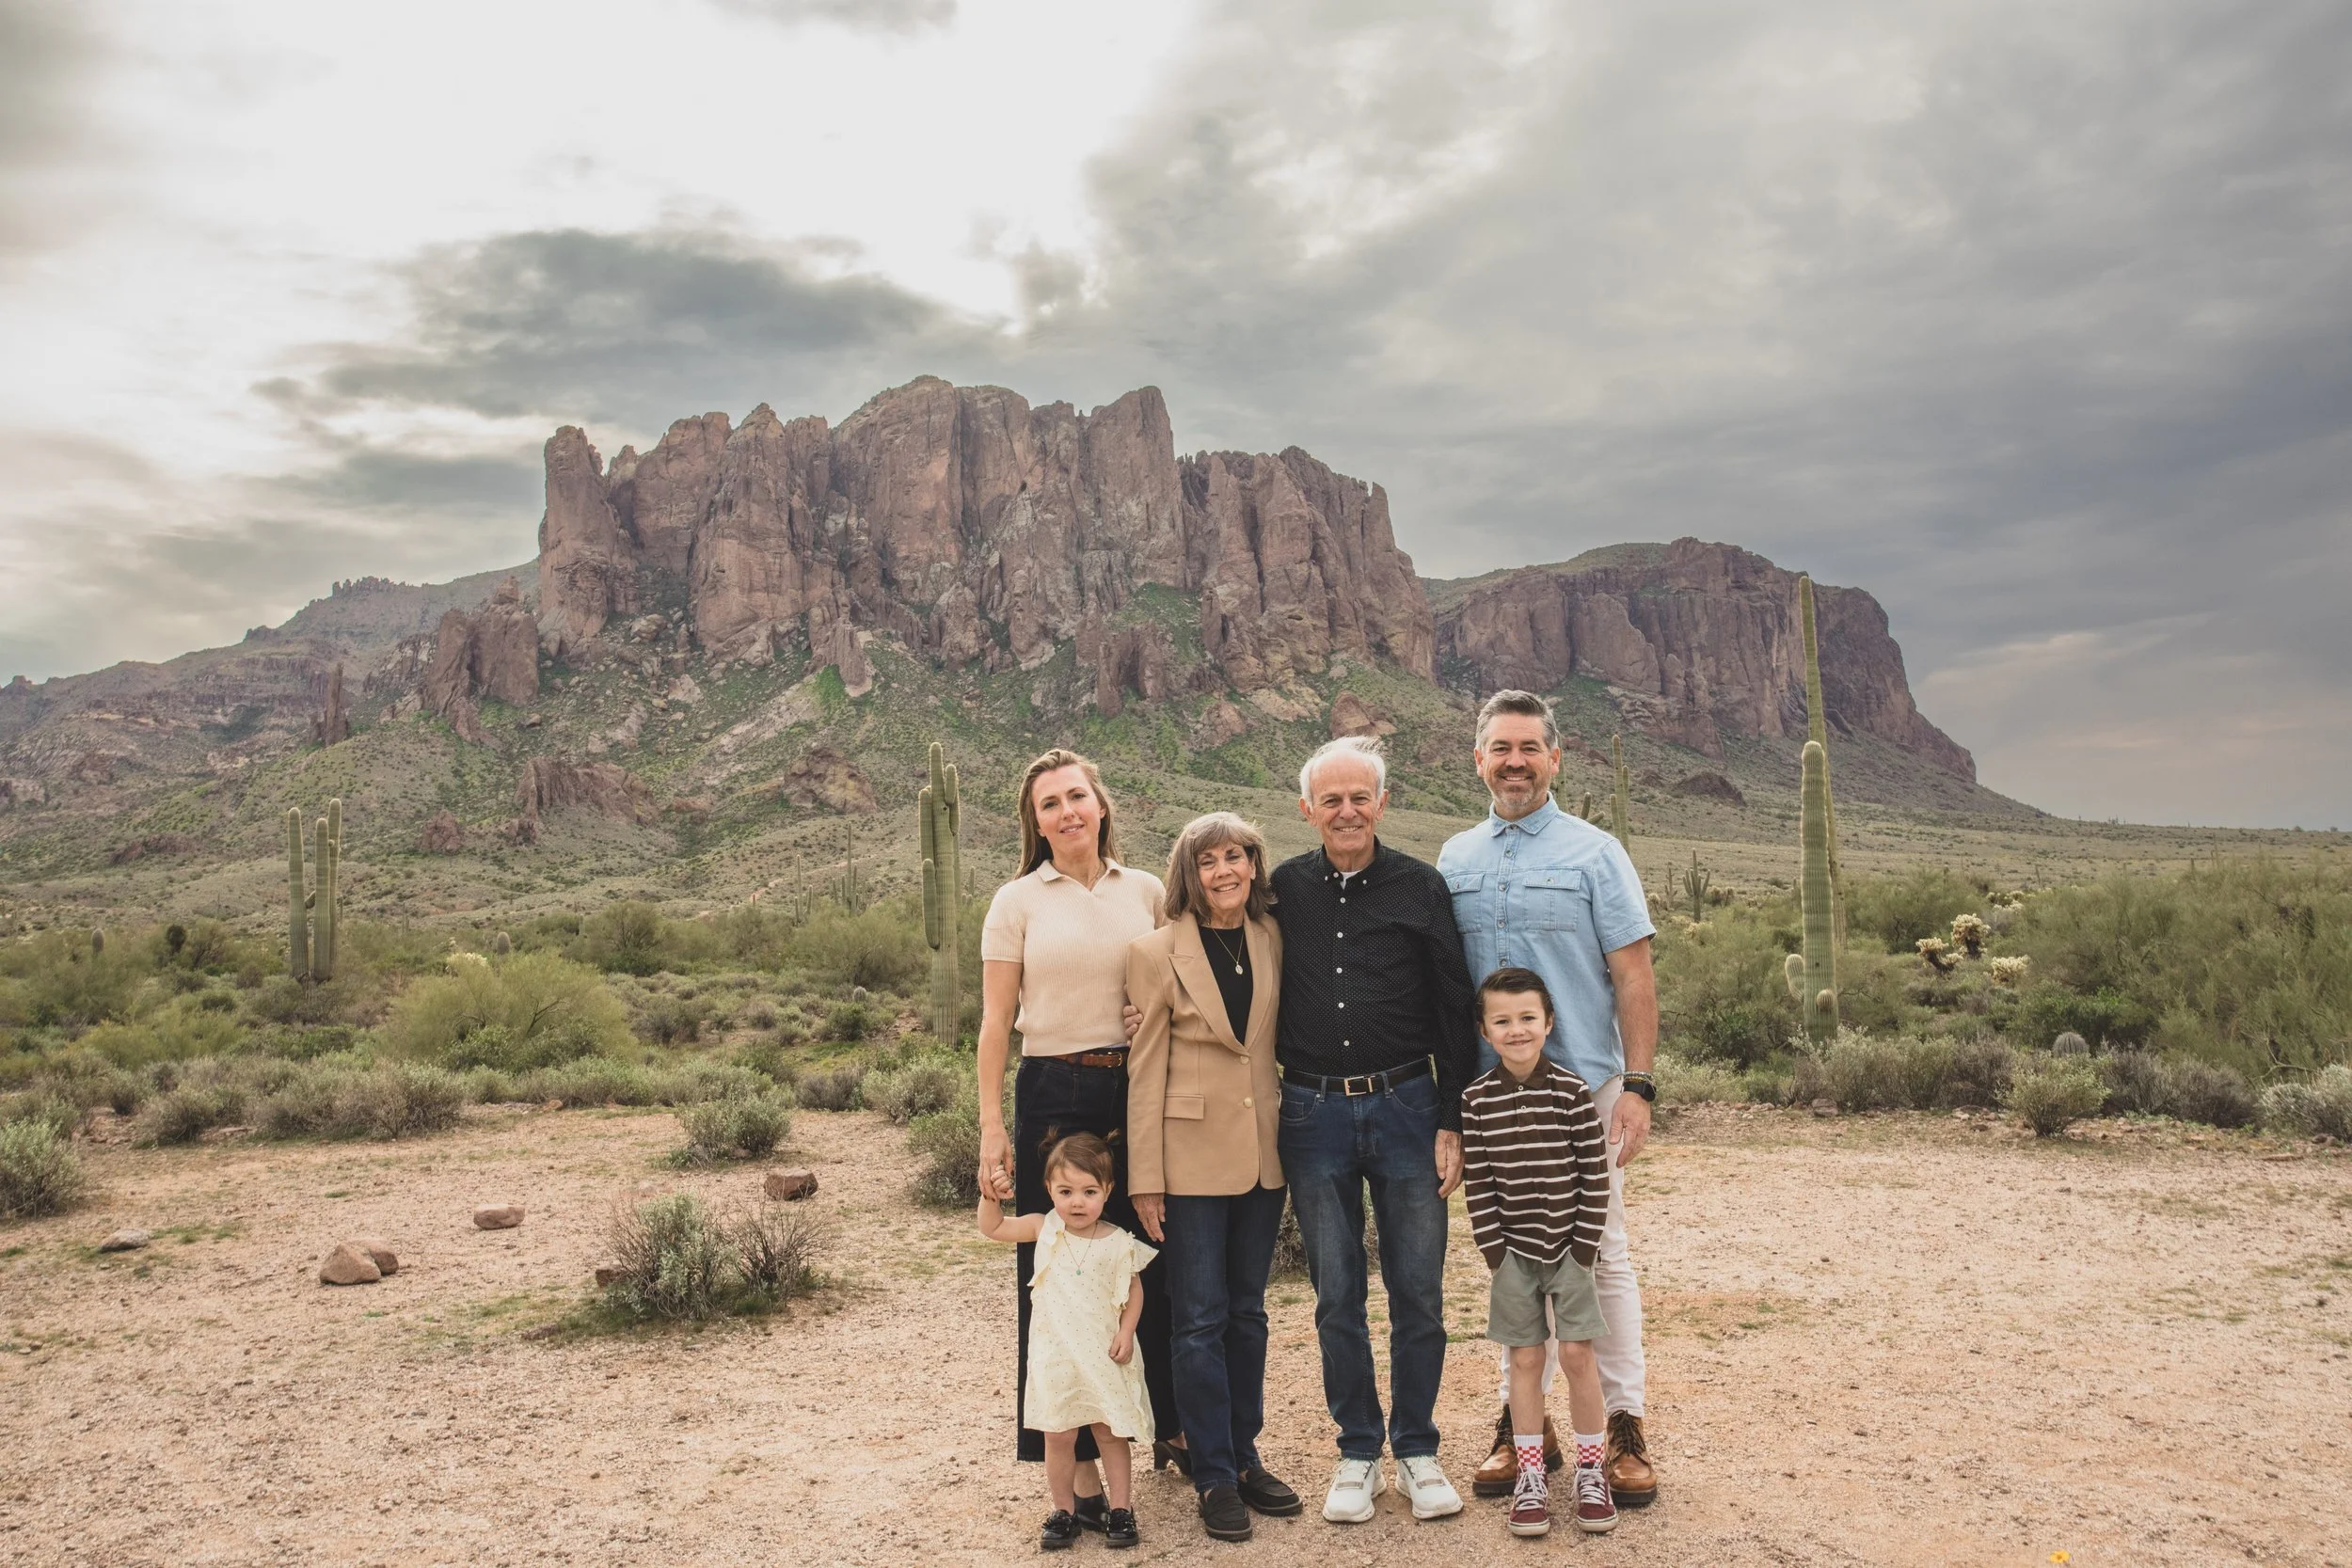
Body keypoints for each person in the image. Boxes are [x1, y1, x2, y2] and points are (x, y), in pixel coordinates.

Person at [1438, 690, 1661, 1507]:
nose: (1515, 761)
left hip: (1585, 1085)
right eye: (1500, 748)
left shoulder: (1596, 853)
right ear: (1479, 760)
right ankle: (1521, 1424)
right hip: (1491, 1096)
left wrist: (1636, 1084)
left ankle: (1626, 1424)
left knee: (1600, 1252)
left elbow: (1633, 974)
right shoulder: (1454, 859)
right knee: (1511, 1258)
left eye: (1530, 747)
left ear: (1555, 758)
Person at [1274, 736, 1481, 1525]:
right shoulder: (1282, 888)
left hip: (1407, 1106)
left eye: (1360, 796)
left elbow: (1455, 1006)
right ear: (1308, 809)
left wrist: (1453, 1116)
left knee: (1418, 1290)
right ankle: (1358, 1449)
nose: (1348, 810)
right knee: (1336, 1294)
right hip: (1310, 1111)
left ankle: (1418, 1447)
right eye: (1332, 799)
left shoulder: (1422, 887)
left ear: (1382, 802)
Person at [977, 749, 1176, 1532]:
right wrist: (991, 1124)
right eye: (1048, 804)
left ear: (1101, 804)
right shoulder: (1016, 899)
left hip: (1135, 1086)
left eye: (1076, 797)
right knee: (1056, 1269)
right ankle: (1078, 1468)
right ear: (1035, 821)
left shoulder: (1149, 891)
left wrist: (1148, 1014)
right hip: (1053, 1092)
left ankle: (1158, 1431)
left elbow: (1171, 983)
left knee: (1144, 1250)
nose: (1065, 812)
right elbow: (996, 1019)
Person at [1126, 812, 1301, 1543]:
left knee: (1247, 1312)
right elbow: (1144, 1068)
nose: (1225, 870)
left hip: (1263, 1155)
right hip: (1187, 1157)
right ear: (1189, 873)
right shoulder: (1155, 950)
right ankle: (1212, 1473)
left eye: (1237, 856)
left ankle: (1244, 1449)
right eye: (1209, 861)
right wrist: (1144, 1176)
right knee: (1196, 1320)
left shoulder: (1271, 936)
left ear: (1254, 864)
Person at [1459, 967, 1618, 1538]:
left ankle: (1591, 1472)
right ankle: (1531, 1478)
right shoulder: (1476, 1101)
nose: (1517, 1030)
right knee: (1525, 1361)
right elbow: (1479, 1186)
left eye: (1528, 1018)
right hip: (1513, 1258)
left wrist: (1582, 1248)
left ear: (1548, 1023)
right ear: (1484, 1030)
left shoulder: (1572, 1092)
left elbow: (1594, 1178)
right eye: (1502, 1021)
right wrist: (1496, 1256)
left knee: (1578, 1358)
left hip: (1570, 1253)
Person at [978, 1133, 1156, 1551]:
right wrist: (991, 1194)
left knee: (1109, 1433)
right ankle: (1064, 1511)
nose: (1077, 1202)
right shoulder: (1044, 1228)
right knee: (1058, 1435)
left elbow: (1135, 1293)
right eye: (1065, 1191)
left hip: (1103, 1355)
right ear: (1049, 1191)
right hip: (1055, 1356)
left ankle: (1121, 1510)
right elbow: (994, 1227)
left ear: (1107, 1190)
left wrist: (1127, 1332)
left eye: (1089, 1191)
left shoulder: (1118, 1241)